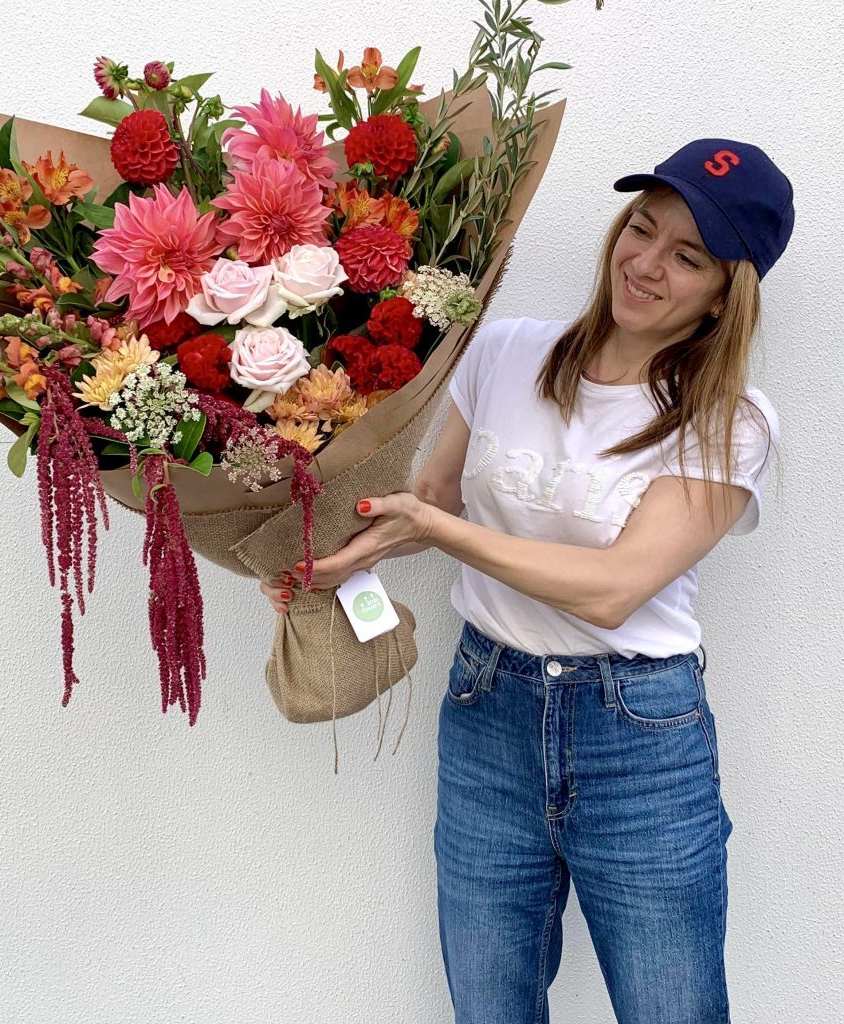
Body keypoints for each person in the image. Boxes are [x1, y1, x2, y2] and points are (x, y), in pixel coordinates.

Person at [259, 138, 794, 1022]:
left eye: (687, 255)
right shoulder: (506, 351)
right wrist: (329, 554)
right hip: (487, 712)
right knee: (489, 1005)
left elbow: (614, 587)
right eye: (642, 227)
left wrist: (437, 527)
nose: (646, 263)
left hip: (639, 740)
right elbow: (424, 498)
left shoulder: (728, 422)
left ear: (724, 294)